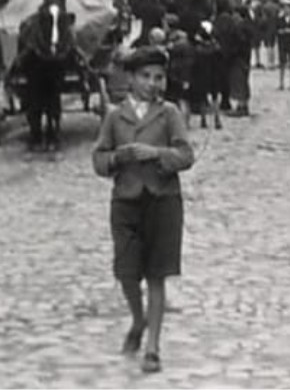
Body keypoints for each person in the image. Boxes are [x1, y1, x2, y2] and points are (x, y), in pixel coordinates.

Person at [93, 47, 195, 374]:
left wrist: (156, 153)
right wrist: (116, 159)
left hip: (163, 201)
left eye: (159, 77)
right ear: (131, 79)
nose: (153, 83)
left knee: (156, 274)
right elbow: (98, 159)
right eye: (145, 77)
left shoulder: (169, 114)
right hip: (125, 203)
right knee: (126, 272)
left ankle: (152, 346)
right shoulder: (114, 116)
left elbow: (186, 155)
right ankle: (137, 319)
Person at [276, 0, 290, 91]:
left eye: (288, 8)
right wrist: (281, 31)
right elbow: (276, 29)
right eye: (285, 8)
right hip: (282, 42)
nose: (286, 10)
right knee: (282, 62)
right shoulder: (280, 19)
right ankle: (281, 83)